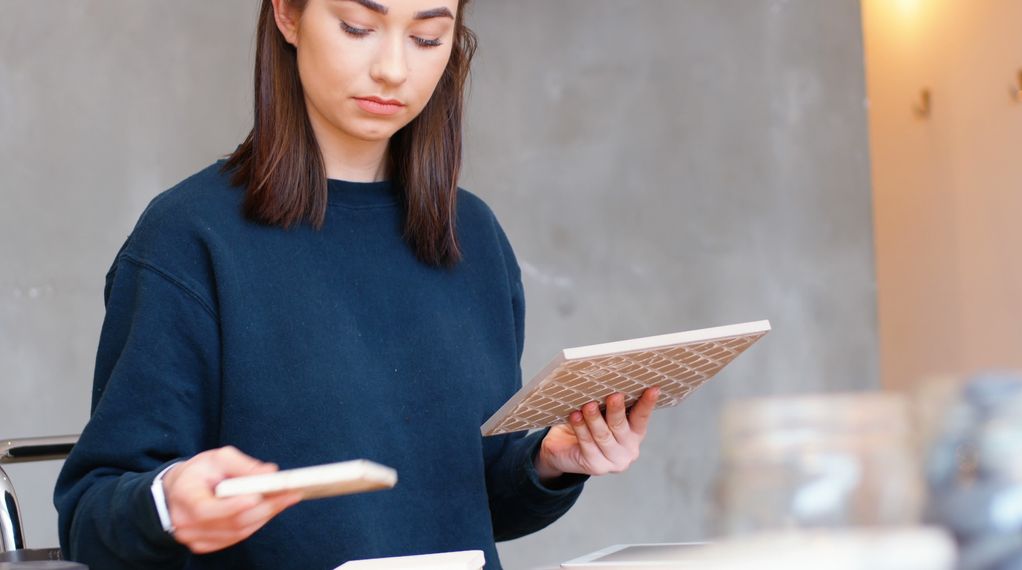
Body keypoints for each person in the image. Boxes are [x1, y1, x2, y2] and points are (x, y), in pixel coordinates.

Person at [53, 1, 660, 568]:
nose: (393, 69)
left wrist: (551, 462)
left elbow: (467, 499)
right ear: (288, 15)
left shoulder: (470, 233)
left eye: (428, 37)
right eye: (357, 27)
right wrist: (168, 503)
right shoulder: (188, 237)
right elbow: (91, 514)